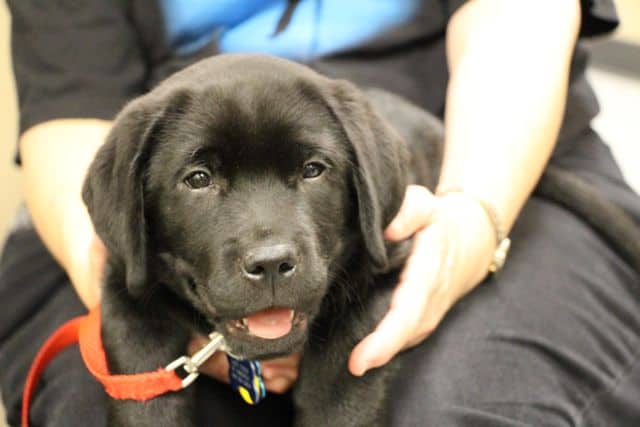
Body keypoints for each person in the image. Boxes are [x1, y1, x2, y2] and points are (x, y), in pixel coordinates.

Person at [2, 0, 639, 425]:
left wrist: (472, 217)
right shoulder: (140, 158)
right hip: (157, 159)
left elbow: (517, 19)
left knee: (466, 402)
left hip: (479, 145)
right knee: (87, 406)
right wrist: (135, 291)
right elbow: (68, 105)